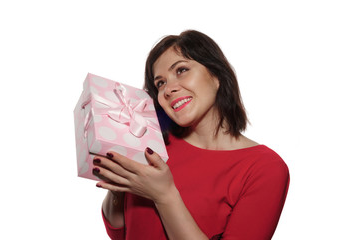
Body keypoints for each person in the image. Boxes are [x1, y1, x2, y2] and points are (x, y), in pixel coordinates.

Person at [92, 30, 290, 240]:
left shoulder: (264, 168)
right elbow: (120, 232)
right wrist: (117, 188)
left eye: (181, 70)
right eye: (160, 83)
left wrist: (164, 195)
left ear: (216, 76)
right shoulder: (152, 144)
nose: (168, 90)